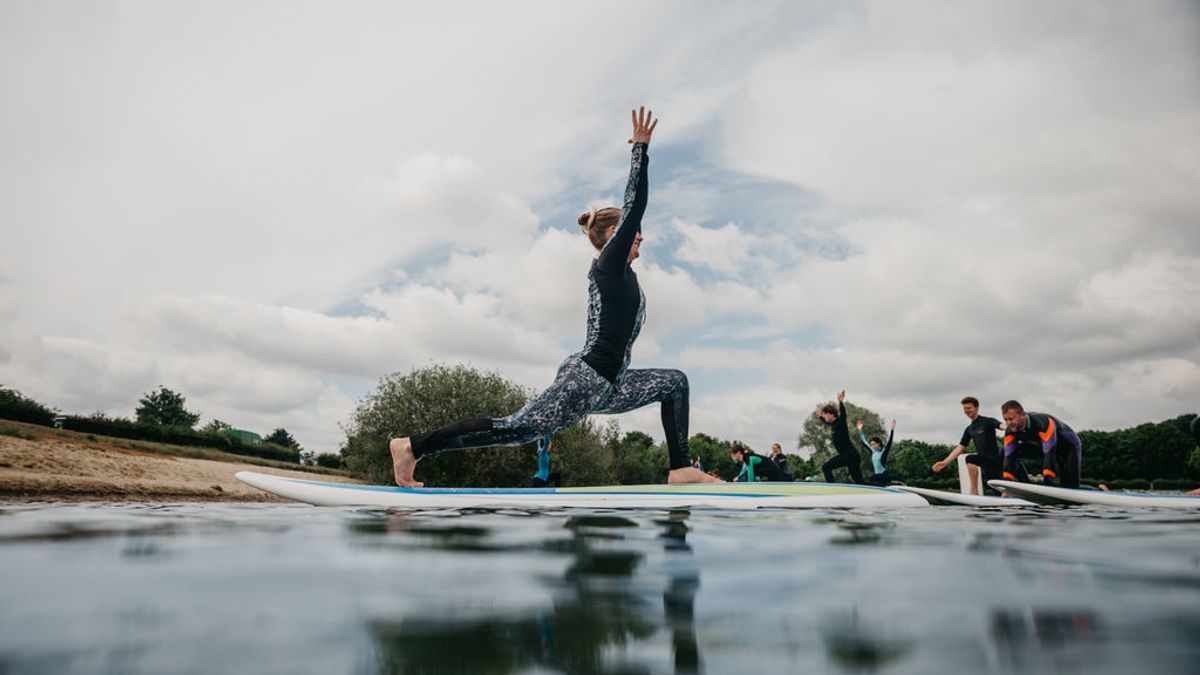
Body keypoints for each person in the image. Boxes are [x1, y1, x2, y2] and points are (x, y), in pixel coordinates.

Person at [387, 108, 718, 487]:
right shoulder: (608, 265)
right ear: (613, 234)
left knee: (674, 382)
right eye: (631, 230)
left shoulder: (626, 275)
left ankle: (679, 468)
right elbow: (636, 205)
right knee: (516, 429)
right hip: (587, 378)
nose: (640, 235)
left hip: (611, 384)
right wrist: (640, 150)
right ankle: (412, 447)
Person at [999, 400, 1082, 489]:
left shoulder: (1043, 423)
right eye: (1005, 419)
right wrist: (1006, 485)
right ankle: (1026, 485)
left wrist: (1047, 484)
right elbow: (1009, 458)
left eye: (1011, 419)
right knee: (1004, 451)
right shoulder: (1010, 431)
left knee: (1070, 485)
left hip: (1068, 448)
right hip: (1041, 448)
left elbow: (1050, 454)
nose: (1008, 423)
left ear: (1022, 415)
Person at [932, 396, 1005, 495]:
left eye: (969, 408)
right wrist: (944, 463)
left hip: (995, 459)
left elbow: (1001, 425)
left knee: (970, 459)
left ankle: (973, 491)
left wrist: (1011, 425)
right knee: (997, 490)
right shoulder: (969, 429)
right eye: (965, 408)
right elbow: (960, 448)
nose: (966, 410)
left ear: (977, 407)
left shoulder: (987, 421)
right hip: (984, 463)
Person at [815, 390, 864, 484]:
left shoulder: (840, 422)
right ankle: (882, 487)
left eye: (825, 415)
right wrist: (820, 417)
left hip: (849, 454)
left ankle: (832, 489)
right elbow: (826, 422)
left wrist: (840, 402)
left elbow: (843, 414)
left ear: (830, 414)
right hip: (852, 456)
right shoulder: (833, 424)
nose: (824, 417)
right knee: (859, 482)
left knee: (826, 467)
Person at [858, 419, 896, 486]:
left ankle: (884, 485)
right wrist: (860, 430)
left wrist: (892, 429)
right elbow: (864, 441)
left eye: (874, 444)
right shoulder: (873, 451)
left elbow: (889, 442)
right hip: (877, 477)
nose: (872, 446)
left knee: (871, 478)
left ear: (879, 443)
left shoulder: (883, 452)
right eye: (871, 444)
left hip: (884, 475)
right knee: (869, 480)